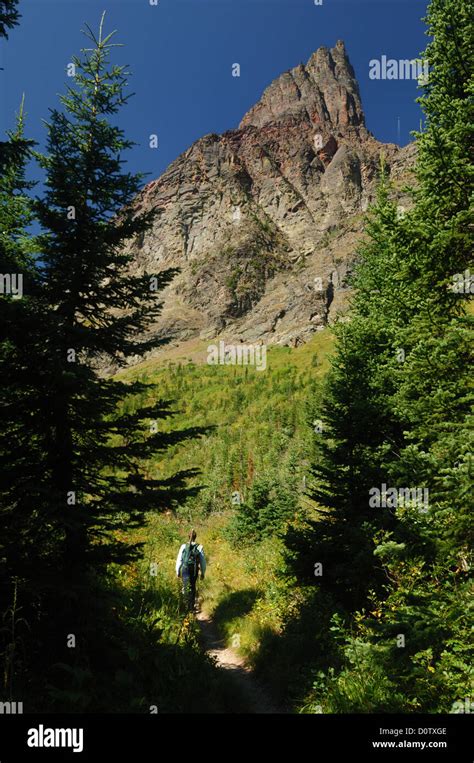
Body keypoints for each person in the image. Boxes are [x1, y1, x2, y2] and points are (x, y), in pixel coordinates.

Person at [176, 530, 206, 611]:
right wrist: (203, 573)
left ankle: (184, 606)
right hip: (194, 570)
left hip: (185, 569)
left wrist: (178, 571)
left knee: (185, 586)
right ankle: (191, 607)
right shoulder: (199, 547)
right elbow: (203, 562)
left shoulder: (183, 546)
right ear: (195, 537)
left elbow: (179, 560)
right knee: (192, 587)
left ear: (188, 536)